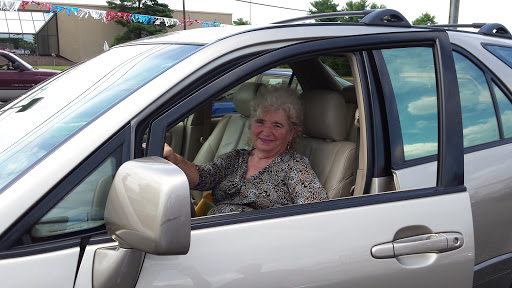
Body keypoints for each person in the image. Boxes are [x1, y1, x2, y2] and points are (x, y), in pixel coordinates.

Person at [163, 86, 328, 215]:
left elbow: (315, 210)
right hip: (211, 229)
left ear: (291, 132)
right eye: (260, 122)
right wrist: (174, 160)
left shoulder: (294, 165)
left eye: (277, 125)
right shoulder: (236, 158)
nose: (266, 131)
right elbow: (201, 176)